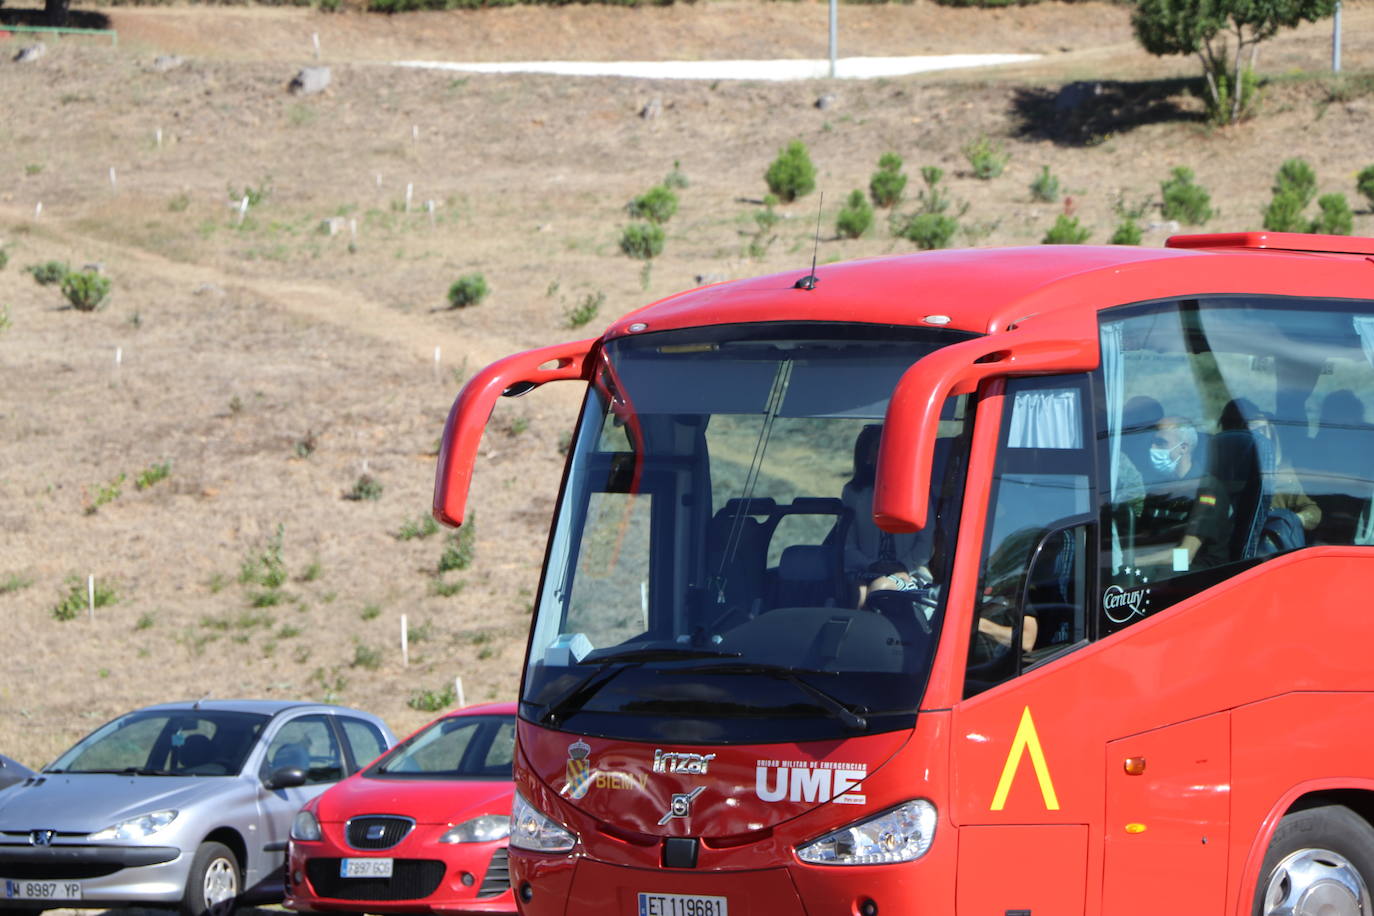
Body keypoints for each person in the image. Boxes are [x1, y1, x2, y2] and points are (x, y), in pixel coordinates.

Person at [840, 424, 933, 607]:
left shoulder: (916, 491)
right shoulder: (853, 493)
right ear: (867, 456)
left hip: (909, 573)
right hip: (866, 569)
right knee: (858, 593)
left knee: (881, 588)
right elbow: (847, 543)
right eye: (879, 446)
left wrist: (903, 565)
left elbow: (926, 542)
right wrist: (871, 564)